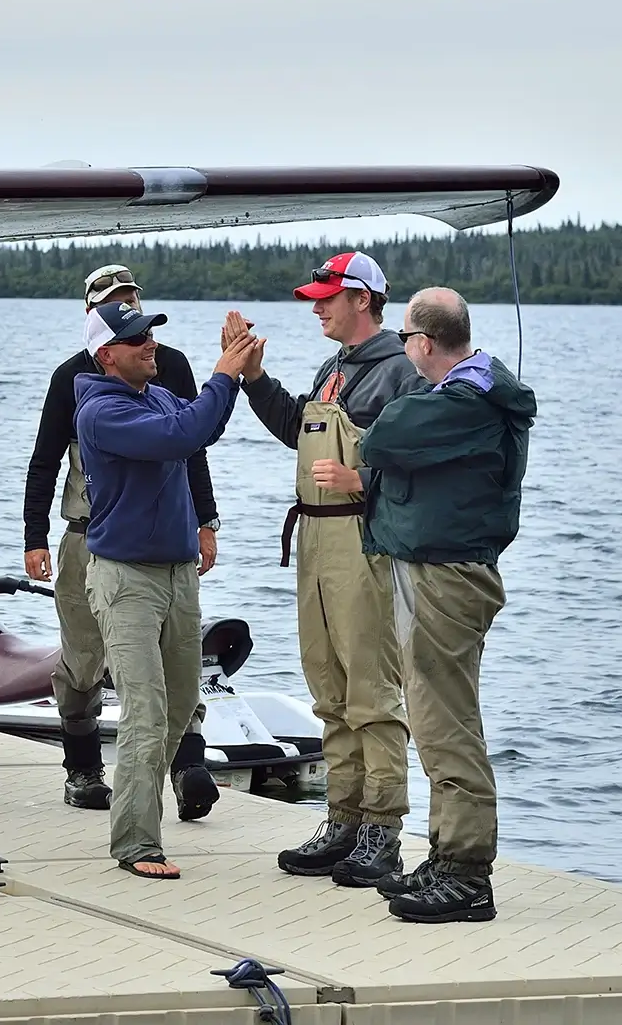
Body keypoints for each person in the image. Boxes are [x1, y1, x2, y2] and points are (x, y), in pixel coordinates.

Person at [232, 251, 424, 887]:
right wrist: (255, 380)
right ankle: (342, 818)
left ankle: (383, 831)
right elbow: (298, 428)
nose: (316, 307)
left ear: (362, 300)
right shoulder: (334, 368)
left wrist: (360, 479)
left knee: (371, 690)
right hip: (314, 538)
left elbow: (420, 463)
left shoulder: (401, 372)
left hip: (363, 541)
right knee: (330, 690)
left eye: (326, 297)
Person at [360, 288, 534, 923]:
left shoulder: (464, 401)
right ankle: (444, 853)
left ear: (424, 344)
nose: (404, 351)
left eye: (406, 339)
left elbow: (383, 437)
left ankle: (466, 873)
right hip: (435, 569)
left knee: (445, 721)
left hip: (446, 578)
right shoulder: (465, 396)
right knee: (434, 718)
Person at [23, 264, 222, 819]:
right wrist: (33, 536)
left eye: (132, 300)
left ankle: (187, 766)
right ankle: (82, 767)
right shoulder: (72, 379)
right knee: (84, 659)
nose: (130, 313)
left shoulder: (169, 365)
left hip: (162, 539)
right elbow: (43, 460)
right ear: (92, 314)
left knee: (174, 661)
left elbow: (192, 443)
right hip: (87, 536)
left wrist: (207, 519)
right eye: (114, 303)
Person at [75, 301, 258, 879]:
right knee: (147, 711)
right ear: (107, 355)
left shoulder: (153, 396)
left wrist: (233, 373)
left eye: (151, 335)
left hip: (178, 576)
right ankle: (136, 843)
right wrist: (224, 371)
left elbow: (200, 428)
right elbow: (187, 429)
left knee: (180, 705)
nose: (150, 345)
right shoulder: (101, 411)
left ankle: (140, 813)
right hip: (125, 580)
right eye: (136, 340)